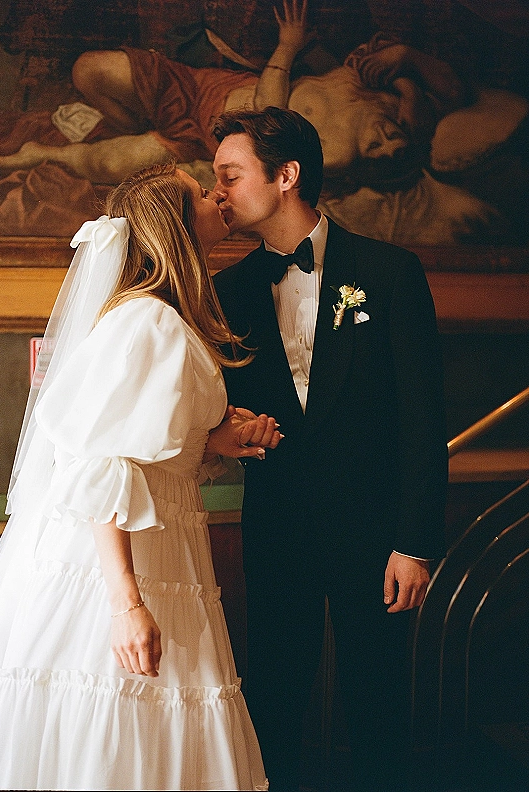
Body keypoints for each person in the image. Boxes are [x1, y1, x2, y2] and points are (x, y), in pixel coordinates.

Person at [0, 161, 282, 791]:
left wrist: (216, 438)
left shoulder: (161, 319)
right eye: (200, 194)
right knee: (104, 716)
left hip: (166, 548)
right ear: (175, 227)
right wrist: (127, 604)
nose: (217, 197)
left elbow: (150, 446)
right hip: (121, 562)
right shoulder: (148, 323)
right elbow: (100, 465)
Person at [211, 106, 448, 792]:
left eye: (229, 175)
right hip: (277, 531)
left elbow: (422, 420)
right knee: (274, 704)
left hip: (378, 540)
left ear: (285, 176)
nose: (219, 191)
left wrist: (416, 542)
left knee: (378, 706)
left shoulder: (390, 273)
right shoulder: (226, 292)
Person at [0, 1, 465, 189]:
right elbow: (455, 90)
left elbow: (270, 114)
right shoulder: (370, 82)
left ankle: (36, 154)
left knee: (107, 167)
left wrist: (287, 48)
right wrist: (407, 60)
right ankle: (135, 123)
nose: (381, 141)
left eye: (381, 151)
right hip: (202, 88)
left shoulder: (336, 154)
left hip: (213, 137)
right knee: (89, 70)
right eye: (392, 136)